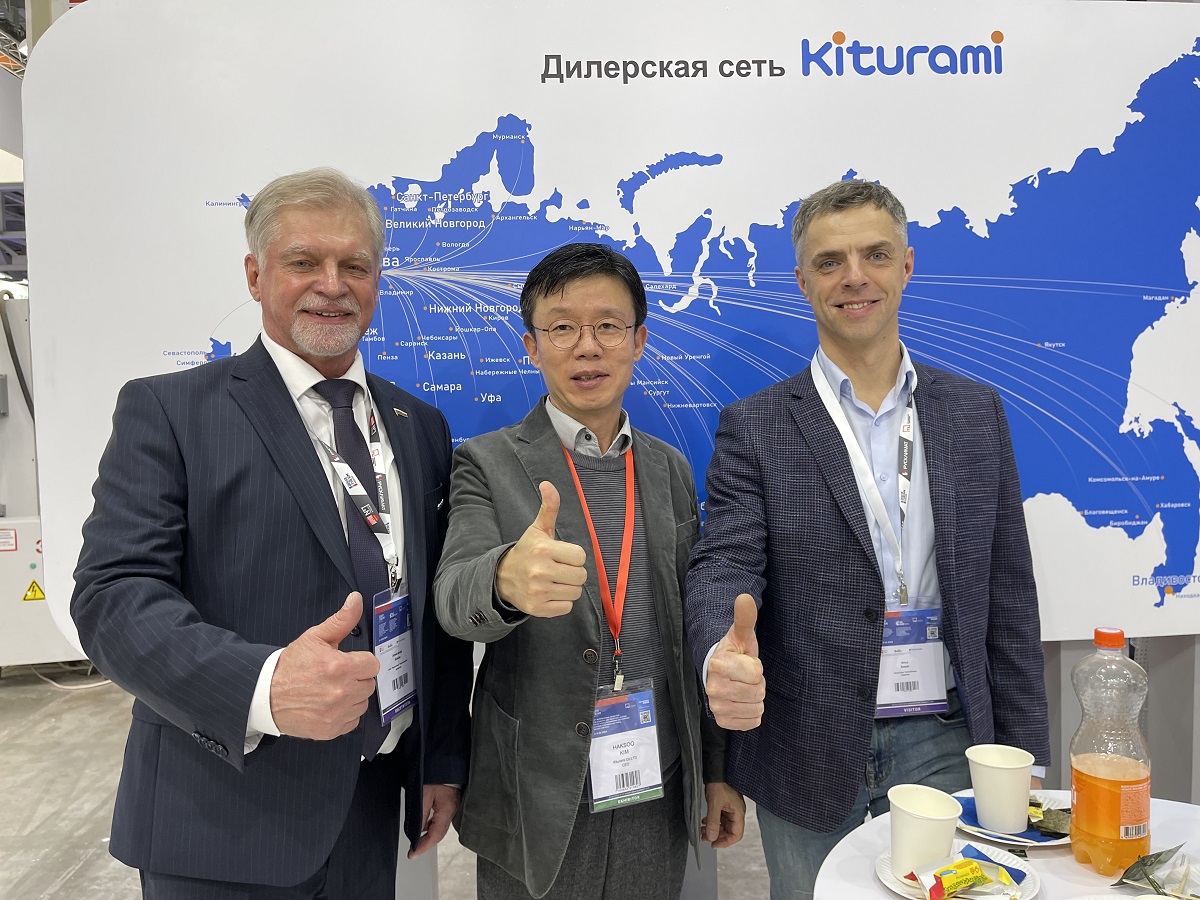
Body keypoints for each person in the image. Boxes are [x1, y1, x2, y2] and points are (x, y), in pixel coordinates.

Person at [71, 167, 473, 898]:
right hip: (222, 817)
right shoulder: (170, 411)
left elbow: (427, 611)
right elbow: (113, 598)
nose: (333, 285)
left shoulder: (419, 425)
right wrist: (263, 686)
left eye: (355, 265)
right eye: (303, 262)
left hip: (371, 808)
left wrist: (439, 759)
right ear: (256, 276)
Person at [685, 179, 1051, 898]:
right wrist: (717, 652)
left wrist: (1026, 756)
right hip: (807, 741)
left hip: (947, 735)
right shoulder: (755, 425)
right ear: (803, 281)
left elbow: (1009, 591)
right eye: (830, 262)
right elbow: (725, 562)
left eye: (875, 255)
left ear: (906, 266)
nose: (854, 277)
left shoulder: (975, 412)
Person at [434, 242, 744, 899]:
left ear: (638, 341)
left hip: (657, 779)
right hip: (537, 790)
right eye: (562, 328)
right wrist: (504, 580)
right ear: (531, 346)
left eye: (607, 325)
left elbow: (694, 630)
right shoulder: (486, 462)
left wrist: (717, 770)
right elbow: (455, 595)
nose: (587, 347)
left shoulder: (669, 469)